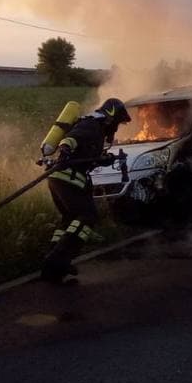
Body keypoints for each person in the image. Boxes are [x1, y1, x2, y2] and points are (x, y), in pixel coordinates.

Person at [40, 97, 132, 282]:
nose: (116, 127)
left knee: (69, 218)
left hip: (63, 178)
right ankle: (57, 260)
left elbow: (85, 154)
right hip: (68, 178)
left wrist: (103, 159)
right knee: (87, 217)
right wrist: (65, 150)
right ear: (110, 116)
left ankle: (54, 261)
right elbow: (71, 139)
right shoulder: (91, 125)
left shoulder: (97, 130)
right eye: (117, 122)